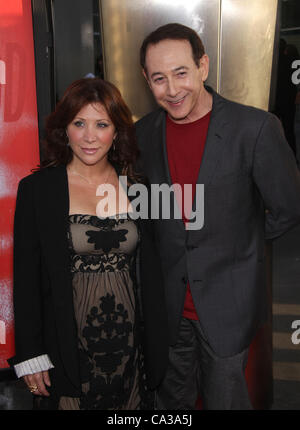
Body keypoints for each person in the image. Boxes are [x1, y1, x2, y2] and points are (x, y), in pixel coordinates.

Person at [135, 23, 300, 410]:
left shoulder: (255, 128)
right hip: (168, 308)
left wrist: (239, 242)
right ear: (146, 79)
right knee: (168, 405)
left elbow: (289, 207)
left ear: (203, 67)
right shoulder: (142, 134)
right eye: (159, 78)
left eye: (181, 73)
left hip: (228, 305)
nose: (172, 90)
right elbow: (147, 213)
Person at [8, 77, 162, 410]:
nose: (90, 136)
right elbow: (26, 278)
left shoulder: (139, 187)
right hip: (68, 345)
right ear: (65, 129)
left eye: (101, 124)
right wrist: (31, 353)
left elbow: (153, 270)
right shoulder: (38, 190)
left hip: (130, 347)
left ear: (117, 131)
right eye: (79, 123)